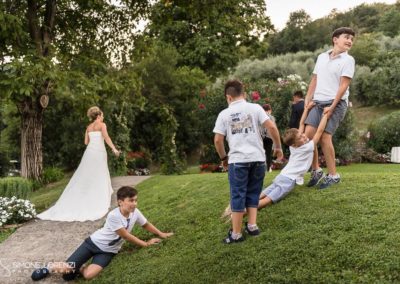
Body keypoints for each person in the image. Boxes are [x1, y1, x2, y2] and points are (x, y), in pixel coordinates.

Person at [31, 186, 174, 281]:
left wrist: (161, 234)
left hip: (108, 251)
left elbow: (146, 224)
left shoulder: (135, 212)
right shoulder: (113, 216)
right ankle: (49, 267)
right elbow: (125, 235)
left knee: (88, 275)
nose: (134, 204)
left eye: (136, 200)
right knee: (67, 273)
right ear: (120, 202)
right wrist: (145, 244)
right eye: (131, 201)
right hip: (92, 243)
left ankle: (79, 267)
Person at [213, 79, 283, 244]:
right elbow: (271, 128)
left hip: (238, 161)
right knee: (253, 192)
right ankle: (252, 226)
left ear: (228, 97)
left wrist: (224, 158)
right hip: (258, 159)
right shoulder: (255, 108)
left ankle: (236, 234)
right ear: (243, 94)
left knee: (238, 195)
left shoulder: (224, 114)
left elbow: (217, 140)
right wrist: (278, 147)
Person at [37, 106, 120, 221]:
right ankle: (97, 198)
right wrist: (114, 149)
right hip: (99, 153)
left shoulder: (88, 127)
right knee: (99, 174)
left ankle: (84, 196)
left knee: (86, 175)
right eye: (102, 115)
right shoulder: (102, 125)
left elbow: (86, 142)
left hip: (89, 152)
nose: (103, 117)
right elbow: (106, 137)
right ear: (99, 115)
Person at [303, 27, 355, 190]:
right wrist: (307, 98)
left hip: (337, 103)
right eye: (346, 37)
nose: (350, 41)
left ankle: (333, 176)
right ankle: (316, 170)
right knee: (307, 137)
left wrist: (332, 107)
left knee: (325, 137)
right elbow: (314, 79)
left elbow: (343, 85)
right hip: (317, 103)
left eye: (352, 39)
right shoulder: (322, 57)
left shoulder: (348, 60)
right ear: (335, 39)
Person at [258, 103, 329, 209]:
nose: (304, 136)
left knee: (263, 194)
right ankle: (243, 211)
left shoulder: (293, 147)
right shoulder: (307, 147)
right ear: (295, 143)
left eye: (302, 135)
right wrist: (325, 115)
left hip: (282, 176)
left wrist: (306, 110)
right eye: (301, 137)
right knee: (268, 199)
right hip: (288, 180)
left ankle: (239, 206)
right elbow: (319, 131)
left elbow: (301, 124)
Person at [261, 104, 276, 172]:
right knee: (268, 153)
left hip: (261, 136)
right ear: (269, 110)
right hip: (269, 137)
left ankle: (262, 167)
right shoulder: (271, 117)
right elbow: (273, 127)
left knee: (261, 152)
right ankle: (268, 167)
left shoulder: (260, 116)